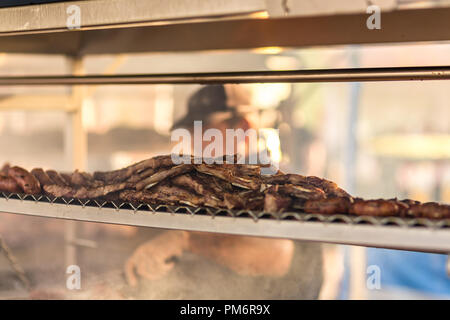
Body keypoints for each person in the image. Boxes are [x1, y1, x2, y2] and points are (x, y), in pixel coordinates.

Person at [124, 85, 323, 299]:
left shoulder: (282, 187)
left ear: (244, 128)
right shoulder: (200, 186)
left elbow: (278, 254)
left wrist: (184, 242)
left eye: (205, 130)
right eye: (192, 131)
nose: (195, 141)